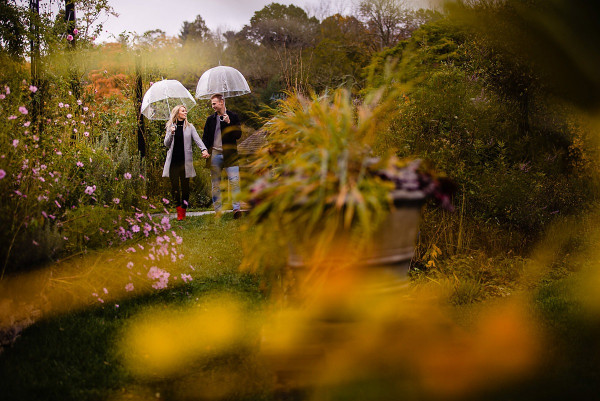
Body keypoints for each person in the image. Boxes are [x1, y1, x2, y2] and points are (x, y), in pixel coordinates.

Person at [162, 105, 209, 221]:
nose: (185, 112)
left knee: (185, 187)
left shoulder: (190, 127)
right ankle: (179, 211)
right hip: (173, 161)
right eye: (183, 111)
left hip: (185, 162)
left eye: (185, 110)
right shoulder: (170, 126)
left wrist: (203, 149)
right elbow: (166, 144)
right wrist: (171, 133)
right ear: (177, 113)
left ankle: (184, 209)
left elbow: (197, 139)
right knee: (175, 187)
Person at [202, 94, 242, 218]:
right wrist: (204, 150)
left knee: (234, 182)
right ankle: (218, 211)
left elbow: (238, 135)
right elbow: (206, 137)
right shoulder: (210, 119)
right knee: (216, 184)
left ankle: (236, 210)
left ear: (221, 102)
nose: (213, 106)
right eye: (212, 104)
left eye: (214, 103)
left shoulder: (233, 116)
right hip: (215, 155)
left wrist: (229, 123)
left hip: (230, 155)